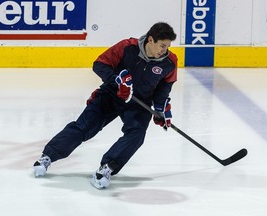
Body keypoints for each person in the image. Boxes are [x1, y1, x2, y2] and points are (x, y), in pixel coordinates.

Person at [33, 22, 178, 189]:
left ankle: (108, 167)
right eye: (162, 45)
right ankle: (48, 156)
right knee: (84, 126)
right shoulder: (127, 47)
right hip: (112, 94)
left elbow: (164, 86)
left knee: (137, 134)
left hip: (140, 103)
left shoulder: (170, 62)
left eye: (167, 46)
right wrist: (117, 81)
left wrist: (160, 108)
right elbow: (100, 64)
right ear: (150, 40)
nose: (165, 50)